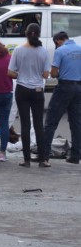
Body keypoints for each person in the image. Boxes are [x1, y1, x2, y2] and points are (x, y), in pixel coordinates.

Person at [7, 23, 50, 167]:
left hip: (22, 89)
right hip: (37, 90)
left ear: (26, 33)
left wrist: (21, 74)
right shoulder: (43, 51)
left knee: (25, 124)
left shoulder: (18, 50)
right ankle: (43, 159)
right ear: (38, 34)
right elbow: (45, 74)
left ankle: (26, 160)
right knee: (38, 125)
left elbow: (10, 72)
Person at [41, 32, 81, 167]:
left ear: (58, 41)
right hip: (78, 88)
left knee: (51, 122)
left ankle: (44, 155)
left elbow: (53, 73)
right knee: (76, 123)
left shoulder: (60, 51)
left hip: (64, 87)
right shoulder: (80, 48)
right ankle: (75, 156)